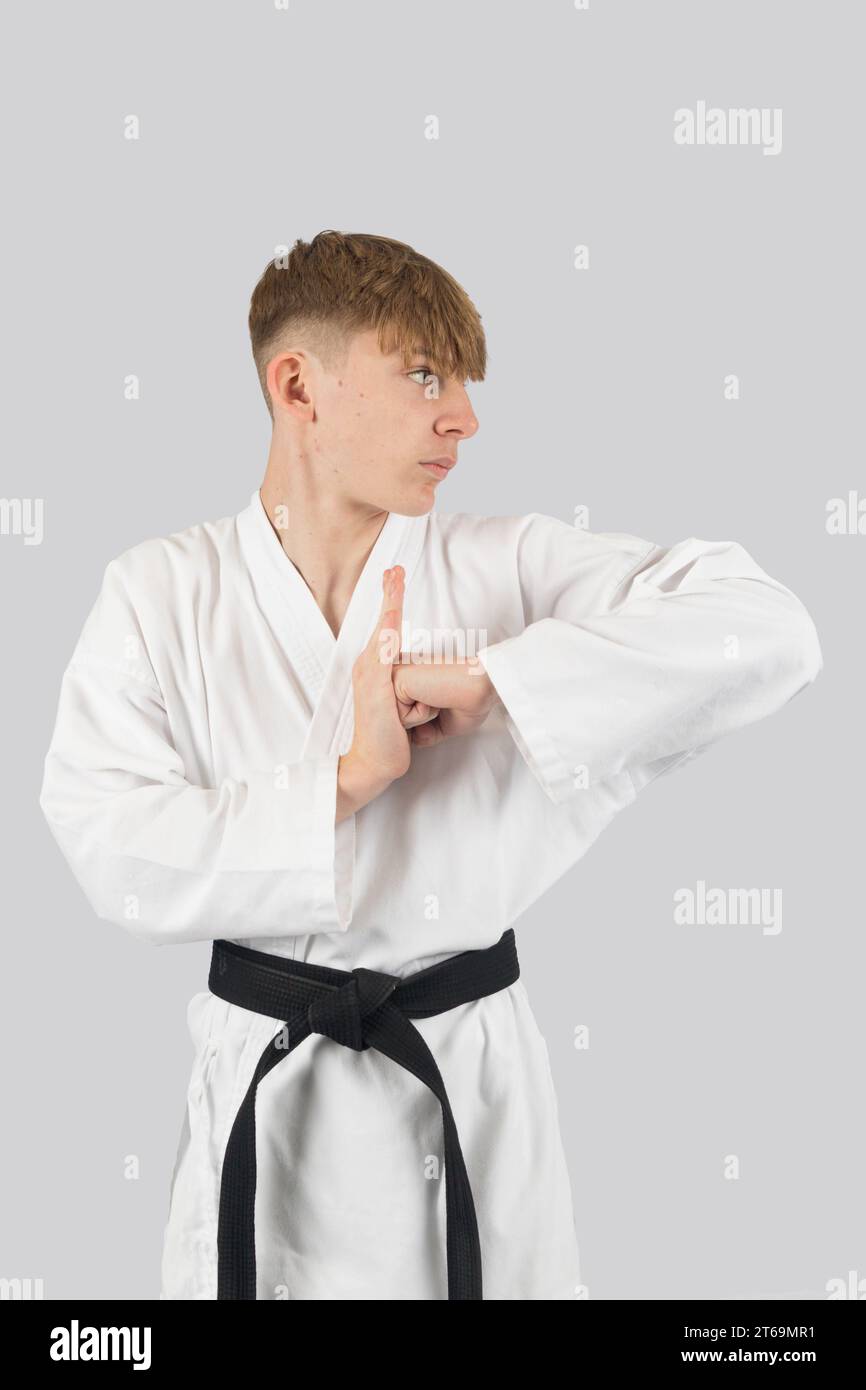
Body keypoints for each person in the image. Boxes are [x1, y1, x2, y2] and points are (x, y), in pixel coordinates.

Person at [38, 230, 823, 1300]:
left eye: (461, 381)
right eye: (422, 374)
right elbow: (108, 845)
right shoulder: (159, 592)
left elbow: (769, 631)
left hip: (466, 1086)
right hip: (266, 1101)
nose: (463, 415)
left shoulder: (502, 568)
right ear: (298, 386)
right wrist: (345, 782)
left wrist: (503, 678)